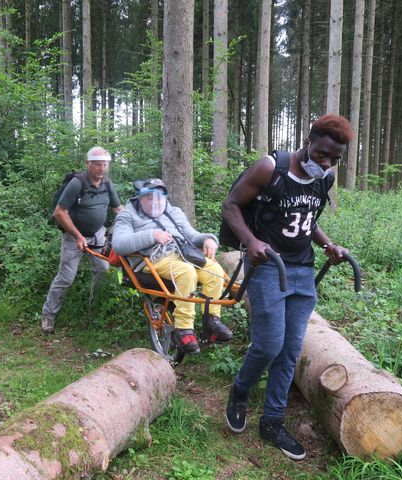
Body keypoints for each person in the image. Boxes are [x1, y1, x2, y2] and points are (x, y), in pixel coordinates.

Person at [222, 114, 353, 460]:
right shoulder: (270, 168)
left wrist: (328, 245)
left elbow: (307, 220)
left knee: (290, 350)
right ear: (308, 140)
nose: (326, 163)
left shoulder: (322, 178)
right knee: (268, 345)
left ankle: (273, 422)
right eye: (323, 153)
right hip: (268, 266)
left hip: (302, 270)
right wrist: (250, 241)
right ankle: (239, 391)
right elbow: (231, 205)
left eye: (334, 159)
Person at [111, 178, 233, 354]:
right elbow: (119, 244)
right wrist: (152, 234)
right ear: (140, 197)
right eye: (149, 197)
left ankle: (212, 321)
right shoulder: (128, 215)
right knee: (187, 273)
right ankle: (183, 329)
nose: (155, 201)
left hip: (183, 254)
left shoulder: (173, 212)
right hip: (153, 258)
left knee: (215, 270)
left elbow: (192, 235)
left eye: (159, 197)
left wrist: (209, 239)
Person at [40, 146, 123, 334]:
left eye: (105, 164)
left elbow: (118, 209)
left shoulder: (108, 185)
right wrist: (77, 236)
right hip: (73, 236)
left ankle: (94, 311)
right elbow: (59, 212)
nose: (102, 168)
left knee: (102, 270)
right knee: (66, 278)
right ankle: (48, 316)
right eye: (98, 165)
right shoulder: (77, 183)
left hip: (98, 234)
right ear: (88, 164)